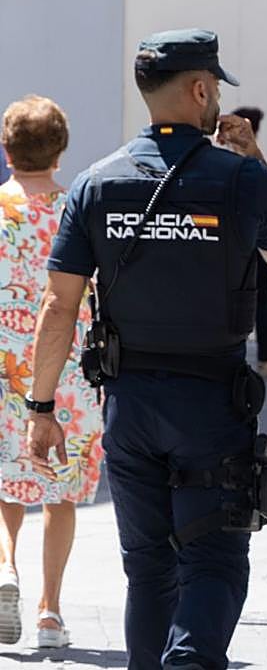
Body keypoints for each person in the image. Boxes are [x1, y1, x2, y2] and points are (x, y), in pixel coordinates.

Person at [27, 29, 267, 669]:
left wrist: (42, 409)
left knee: (148, 567)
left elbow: (58, 304)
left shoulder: (96, 183)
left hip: (128, 406)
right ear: (202, 89)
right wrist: (256, 161)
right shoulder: (238, 179)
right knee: (214, 558)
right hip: (211, 403)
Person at [0, 96, 100, 648]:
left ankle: (5, 568)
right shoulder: (76, 210)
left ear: (6, 149)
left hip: (2, 365)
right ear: (60, 150)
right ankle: (49, 614)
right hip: (68, 369)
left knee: (4, 484)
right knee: (58, 494)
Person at [234, 107, 267, 376]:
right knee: (264, 297)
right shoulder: (254, 162)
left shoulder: (219, 158)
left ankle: (237, 352)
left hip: (234, 239)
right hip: (256, 237)